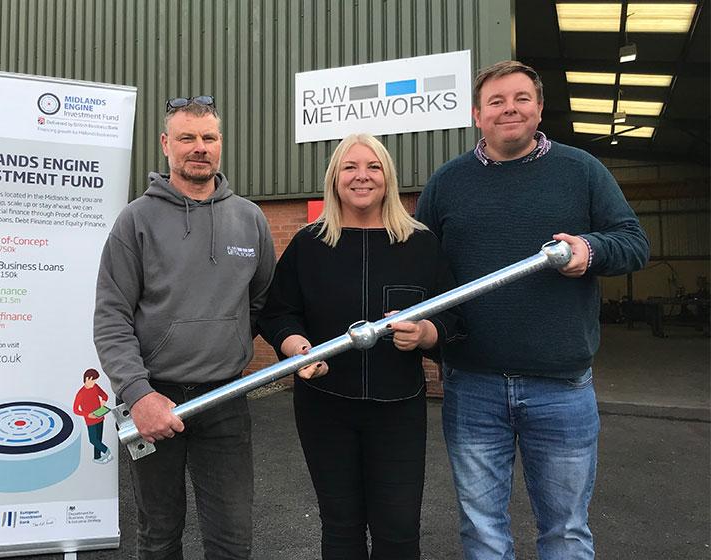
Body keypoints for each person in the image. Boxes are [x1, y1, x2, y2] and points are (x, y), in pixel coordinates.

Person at [416, 60, 650, 559]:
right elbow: (423, 274)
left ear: (539, 108)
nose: (509, 109)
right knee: (482, 531)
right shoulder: (446, 183)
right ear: (477, 115)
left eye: (521, 98)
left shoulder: (581, 170)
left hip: (561, 386)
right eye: (496, 101)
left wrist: (590, 251)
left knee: (565, 531)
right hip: (472, 385)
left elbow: (633, 243)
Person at [258, 133, 463, 560]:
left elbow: (454, 314)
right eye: (350, 168)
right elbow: (278, 312)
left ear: (387, 177)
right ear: (334, 179)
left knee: (399, 530)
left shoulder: (421, 244)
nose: (361, 176)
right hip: (324, 408)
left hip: (398, 408)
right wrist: (296, 347)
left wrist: (427, 333)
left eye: (372, 167)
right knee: (341, 528)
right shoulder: (310, 245)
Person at [94, 95, 275, 560]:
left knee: (232, 538)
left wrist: (226, 340)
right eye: (187, 138)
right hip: (154, 400)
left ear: (220, 144)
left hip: (225, 399)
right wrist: (139, 394)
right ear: (166, 145)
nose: (199, 147)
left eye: (208, 137)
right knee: (158, 535)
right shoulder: (136, 220)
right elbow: (112, 316)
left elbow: (260, 300)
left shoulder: (249, 218)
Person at [72, 368, 112, 464]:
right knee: (93, 440)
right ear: (87, 379)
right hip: (90, 421)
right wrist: (88, 415)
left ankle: (97, 457)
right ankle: (106, 451)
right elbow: (76, 410)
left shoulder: (95, 387)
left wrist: (102, 404)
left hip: (100, 417)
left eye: (95, 381)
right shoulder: (80, 394)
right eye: (93, 380)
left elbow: (104, 395)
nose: (94, 382)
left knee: (98, 439)